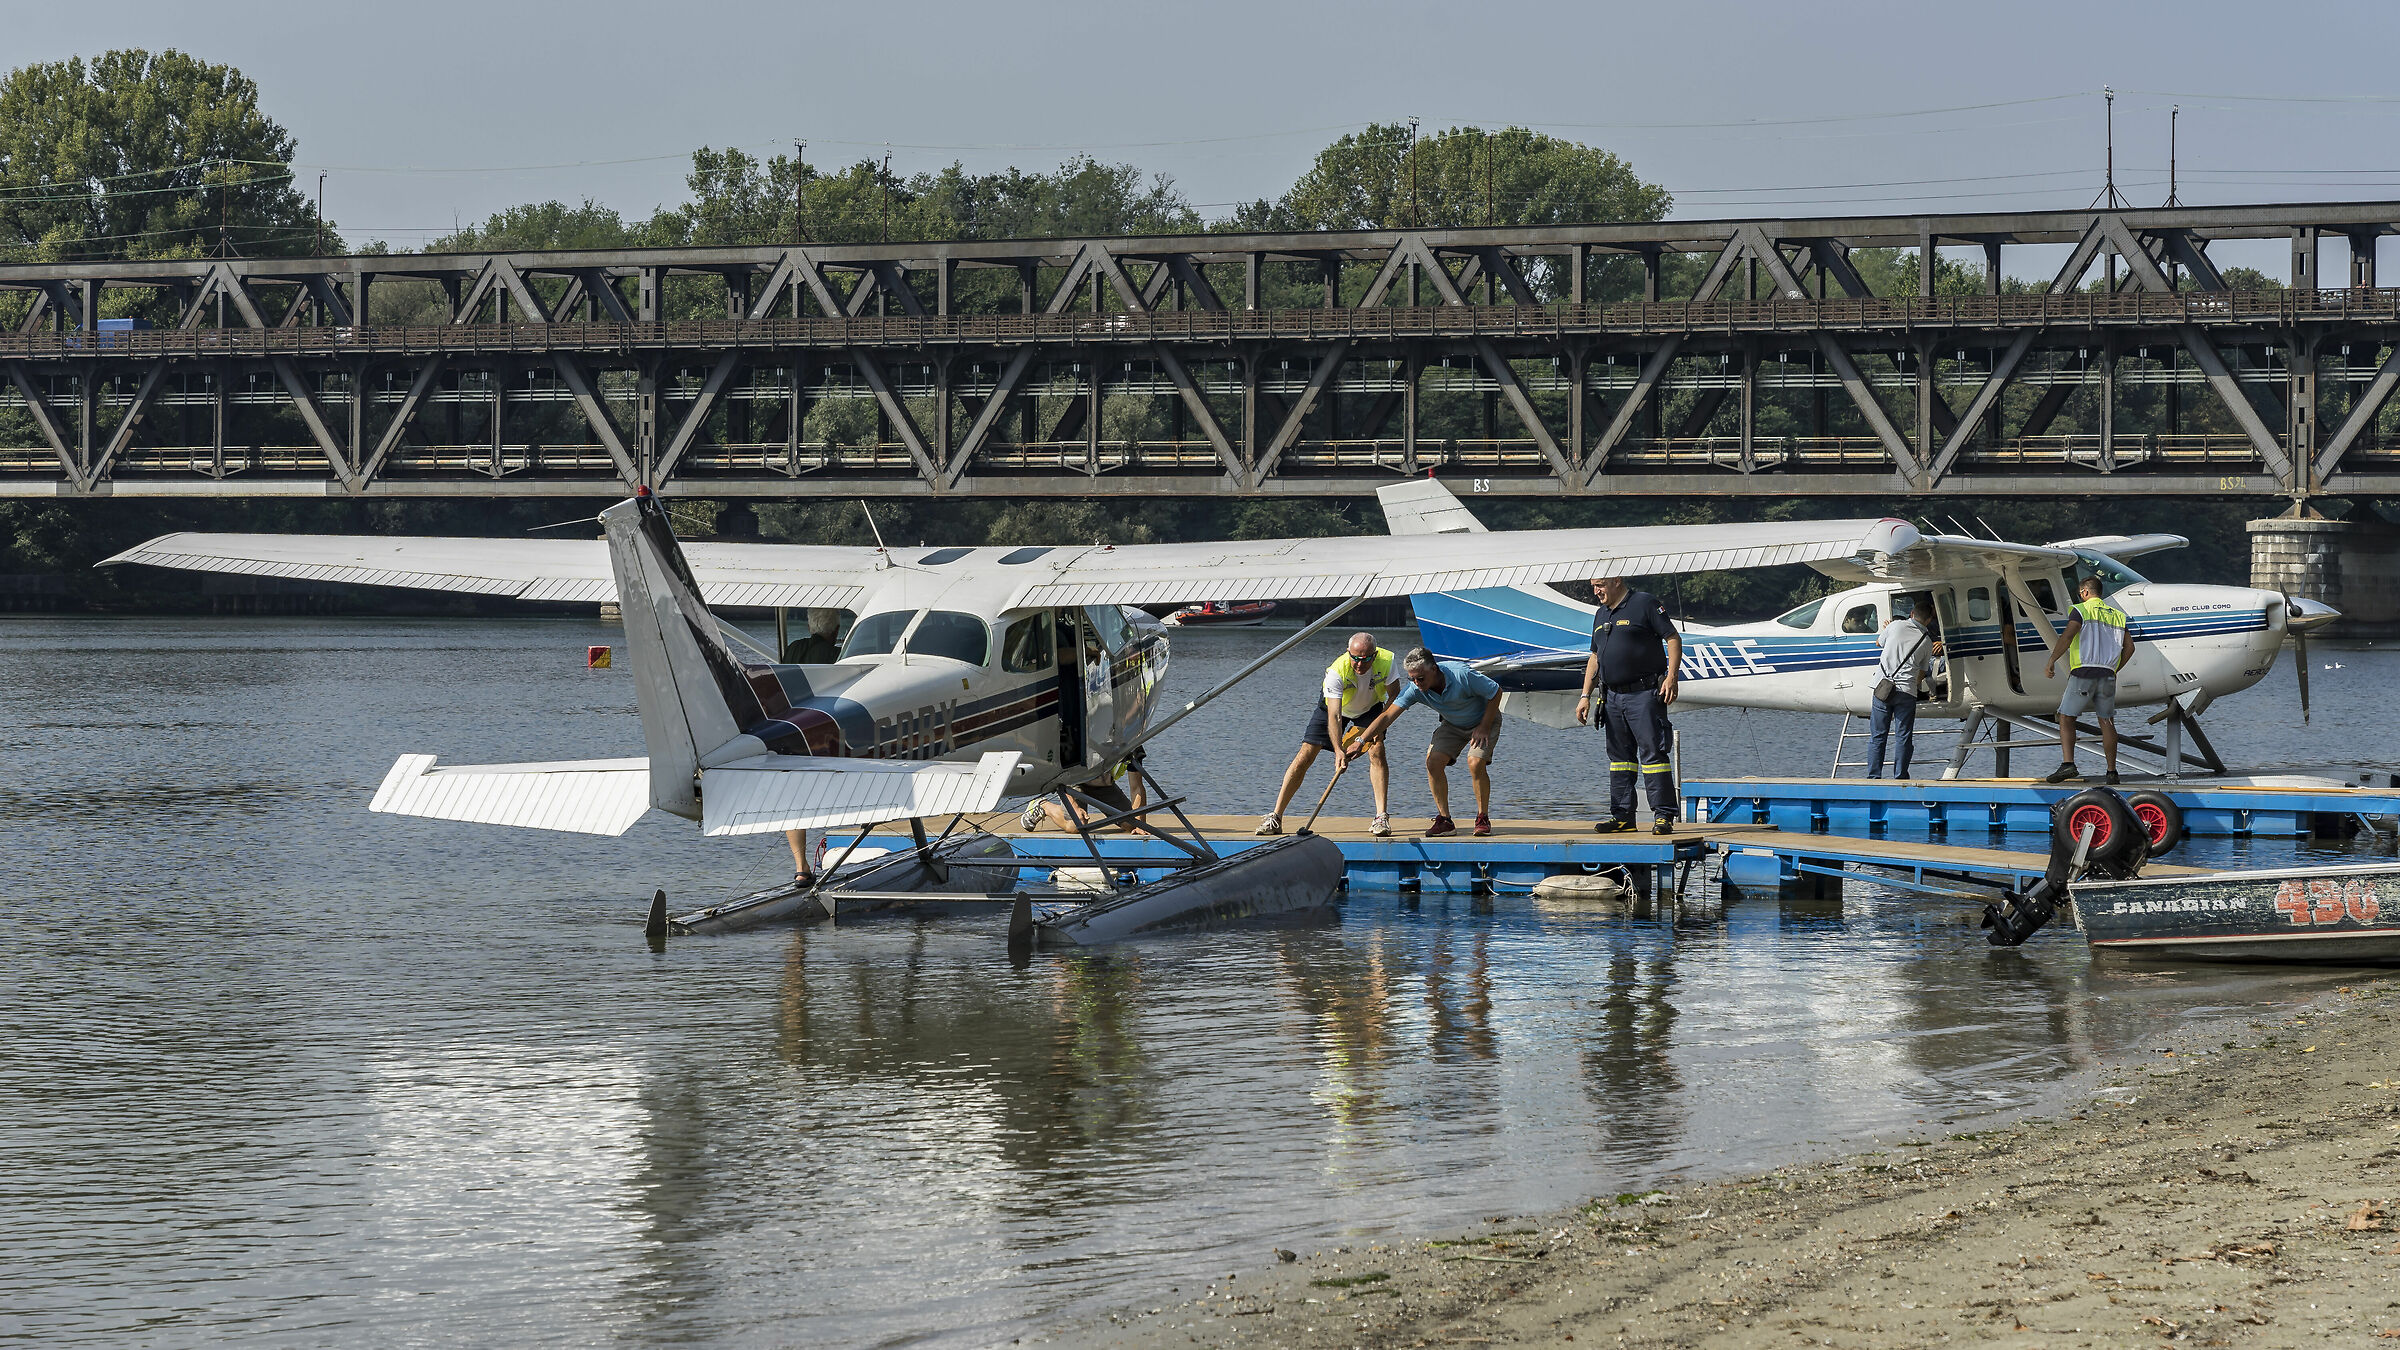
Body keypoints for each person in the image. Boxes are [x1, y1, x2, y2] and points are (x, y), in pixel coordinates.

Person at [1256, 632, 1400, 837]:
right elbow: (1334, 716)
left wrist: (1378, 729)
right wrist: (1339, 751)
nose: (1360, 664)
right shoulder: (1336, 671)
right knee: (1306, 753)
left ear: (1374, 655)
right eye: (1355, 658)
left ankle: (1381, 817)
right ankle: (1276, 817)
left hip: (1371, 707)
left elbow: (1394, 694)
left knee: (1377, 751)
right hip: (1335, 708)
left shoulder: (1387, 660)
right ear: (1348, 652)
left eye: (1366, 659)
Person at [1575, 575, 1684, 835]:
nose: (1596, 591)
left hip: (1644, 694)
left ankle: (1663, 816)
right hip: (1612, 697)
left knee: (1653, 755)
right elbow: (1595, 656)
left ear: (1616, 581)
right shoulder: (1600, 615)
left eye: (1600, 585)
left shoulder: (1645, 603)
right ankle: (1623, 816)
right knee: (1620, 760)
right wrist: (1584, 695)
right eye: (1593, 586)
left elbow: (1672, 638)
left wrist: (1671, 677)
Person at [1357, 647, 1502, 837]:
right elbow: (1387, 716)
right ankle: (1445, 821)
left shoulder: (1461, 674)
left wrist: (1483, 726)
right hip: (1452, 724)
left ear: (1434, 669)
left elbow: (1495, 692)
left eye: (1420, 678)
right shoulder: (1415, 689)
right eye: (1412, 679)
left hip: (1484, 720)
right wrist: (1361, 740)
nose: (1417, 683)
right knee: (1433, 762)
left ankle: (1482, 818)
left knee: (1475, 762)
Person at [2042, 575, 2135, 785]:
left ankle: (2068, 765)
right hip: (2107, 674)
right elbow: (2130, 647)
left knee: (2066, 717)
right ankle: (2112, 772)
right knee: (2107, 721)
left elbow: (2067, 636)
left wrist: (2052, 660)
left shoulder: (2081, 610)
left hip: (2084, 672)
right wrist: (2114, 668)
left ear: (2084, 592)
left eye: (2080, 593)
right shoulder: (2118, 615)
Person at [1866, 595, 1942, 780]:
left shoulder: (1895, 626)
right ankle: (1900, 776)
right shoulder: (1926, 641)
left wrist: (1888, 629)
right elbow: (1922, 673)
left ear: (1911, 613)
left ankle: (1874, 776)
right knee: (1903, 736)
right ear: (1929, 619)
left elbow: (1879, 643)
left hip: (1882, 688)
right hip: (1906, 691)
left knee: (1878, 735)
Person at [1021, 751, 1149, 833]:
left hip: (1104, 785)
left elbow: (1136, 786)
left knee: (1132, 825)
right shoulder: (1085, 731)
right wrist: (1074, 806)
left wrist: (1140, 826)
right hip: (1075, 782)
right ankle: (1043, 806)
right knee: (1076, 825)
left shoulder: (1133, 737)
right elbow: (1062, 775)